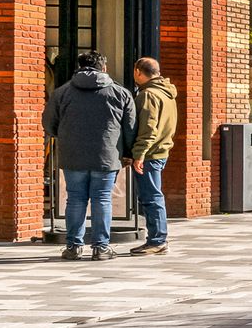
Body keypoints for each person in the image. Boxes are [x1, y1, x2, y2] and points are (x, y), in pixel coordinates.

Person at [41, 50, 136, 261]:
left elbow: (49, 123)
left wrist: (64, 136)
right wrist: (128, 152)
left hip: (72, 154)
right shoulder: (120, 93)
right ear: (104, 68)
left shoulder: (62, 92)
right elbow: (130, 127)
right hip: (107, 155)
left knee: (75, 199)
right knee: (102, 200)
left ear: (78, 66)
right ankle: (101, 248)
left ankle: (74, 246)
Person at [126, 57, 177, 257]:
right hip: (160, 150)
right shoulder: (167, 93)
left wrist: (139, 154)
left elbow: (148, 129)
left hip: (150, 153)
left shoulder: (148, 95)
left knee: (151, 197)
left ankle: (157, 240)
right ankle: (158, 239)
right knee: (153, 196)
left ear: (138, 71)